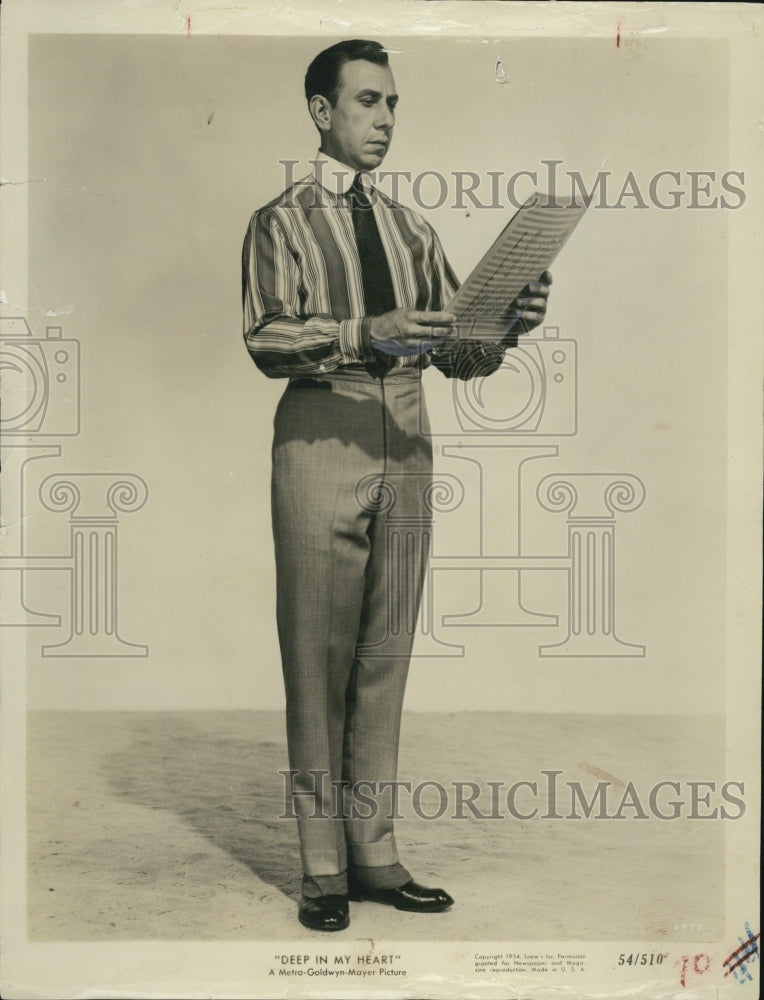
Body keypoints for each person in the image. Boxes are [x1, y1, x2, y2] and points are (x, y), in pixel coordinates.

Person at [241, 38, 551, 932]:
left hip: (409, 440)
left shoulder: (414, 229)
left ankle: (373, 852)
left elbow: (458, 354)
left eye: (392, 104)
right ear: (321, 112)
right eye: (368, 102)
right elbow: (266, 339)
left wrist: (508, 323)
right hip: (320, 436)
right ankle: (321, 868)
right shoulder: (281, 222)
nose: (383, 120)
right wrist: (364, 331)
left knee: (385, 656)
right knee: (316, 659)